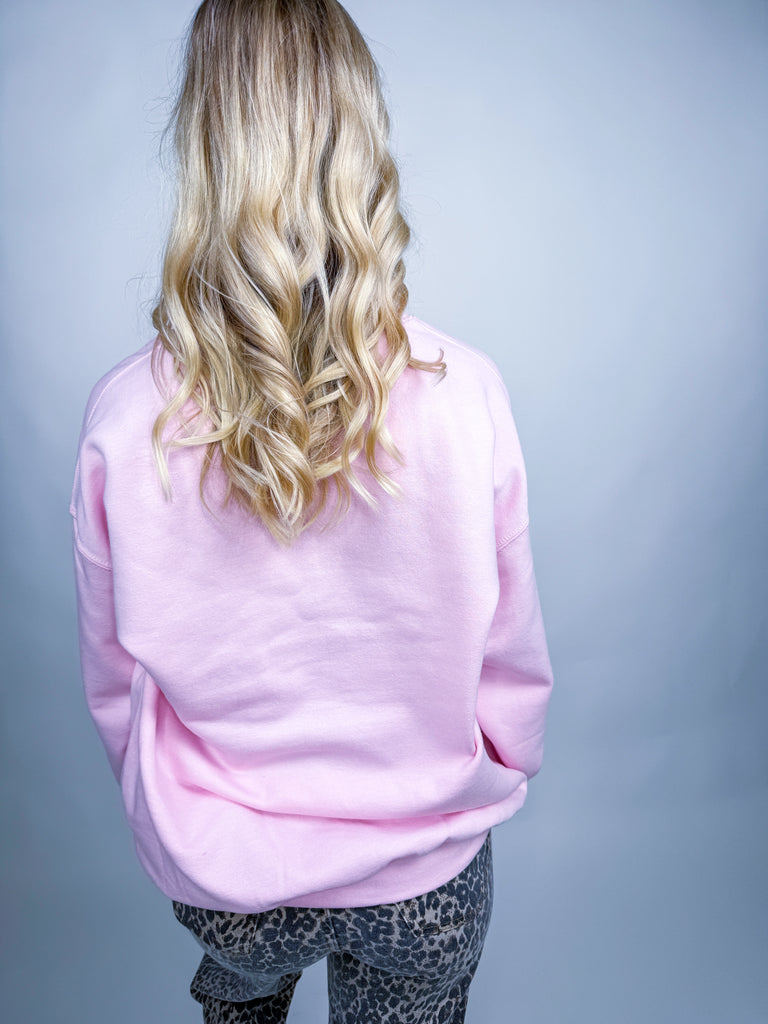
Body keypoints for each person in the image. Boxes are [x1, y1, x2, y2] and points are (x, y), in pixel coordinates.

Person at [68, 1, 555, 1021]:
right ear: (360, 137)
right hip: (425, 865)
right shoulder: (467, 390)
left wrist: (177, 815)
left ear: (205, 147)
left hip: (228, 875)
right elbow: (511, 654)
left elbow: (115, 684)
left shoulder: (124, 418)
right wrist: (473, 782)